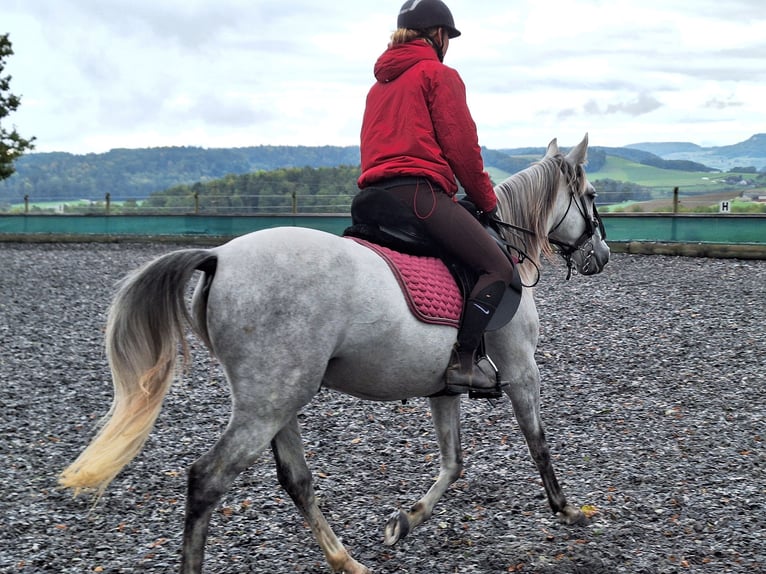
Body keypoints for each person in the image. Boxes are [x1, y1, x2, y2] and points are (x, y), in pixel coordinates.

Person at [355, 0, 515, 395]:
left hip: (371, 197)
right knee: (498, 267)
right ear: (439, 36)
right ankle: (465, 362)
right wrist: (487, 201)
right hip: (418, 197)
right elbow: (462, 149)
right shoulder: (438, 74)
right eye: (449, 38)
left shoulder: (379, 86)